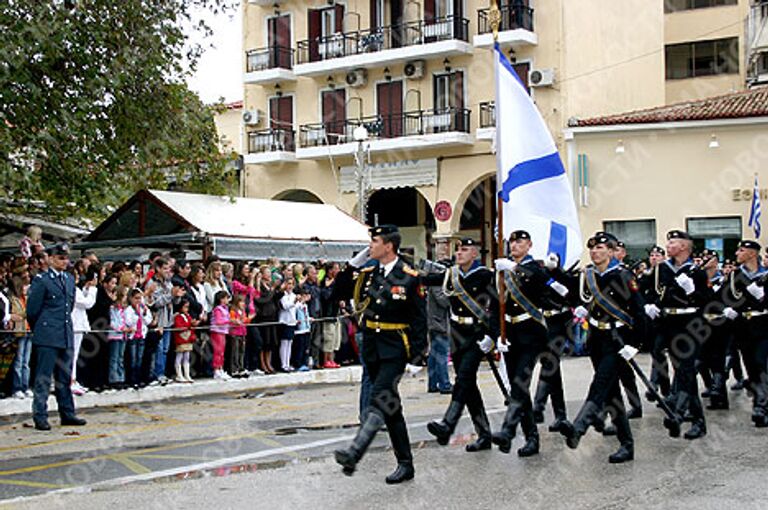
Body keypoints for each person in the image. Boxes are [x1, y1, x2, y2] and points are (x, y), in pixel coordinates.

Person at [333, 225, 427, 484]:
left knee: (379, 396)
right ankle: (406, 464)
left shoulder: (409, 276)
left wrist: (418, 357)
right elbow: (336, 292)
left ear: (389, 246)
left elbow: (419, 319)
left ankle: (354, 452)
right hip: (372, 347)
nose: (370, 246)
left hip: (396, 347)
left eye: (374, 241)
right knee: (391, 407)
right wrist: (352, 265)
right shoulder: (367, 274)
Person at [559, 232, 644, 463]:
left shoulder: (624, 276)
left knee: (600, 384)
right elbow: (572, 294)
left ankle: (579, 428)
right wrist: (579, 306)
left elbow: (639, 313)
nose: (595, 251)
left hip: (618, 340)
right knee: (611, 393)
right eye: (593, 248)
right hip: (597, 338)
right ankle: (627, 445)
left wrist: (634, 344)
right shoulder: (588, 275)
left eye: (600, 247)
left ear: (611, 250)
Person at [423, 238, 499, 452]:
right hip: (457, 335)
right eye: (458, 249)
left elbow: (496, 306)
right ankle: (484, 434)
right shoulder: (451, 275)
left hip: (476, 335)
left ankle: (448, 423)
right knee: (469, 386)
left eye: (464, 249)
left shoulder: (485, 275)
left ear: (474, 253)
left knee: (464, 378)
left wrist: (492, 336)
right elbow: (426, 279)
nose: (459, 253)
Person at [492, 230, 561, 457]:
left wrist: (512, 268)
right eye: (511, 242)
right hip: (510, 334)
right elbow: (496, 305)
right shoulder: (504, 270)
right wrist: (495, 336)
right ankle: (532, 437)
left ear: (529, 245)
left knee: (521, 383)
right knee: (517, 388)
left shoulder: (536, 268)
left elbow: (537, 281)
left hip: (531, 334)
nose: (514, 245)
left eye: (519, 242)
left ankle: (507, 430)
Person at [644, 230, 709, 439]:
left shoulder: (697, 272)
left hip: (689, 323)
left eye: (673, 242)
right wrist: (648, 305)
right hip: (668, 323)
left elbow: (707, 301)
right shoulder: (661, 269)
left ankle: (678, 412)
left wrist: (692, 291)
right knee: (683, 372)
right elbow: (646, 290)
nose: (668, 245)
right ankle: (696, 420)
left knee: (685, 369)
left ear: (684, 247)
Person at [26, 243, 87, 431]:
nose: (64, 261)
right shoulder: (42, 280)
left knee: (64, 377)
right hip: (47, 334)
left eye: (66, 258)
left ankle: (67, 413)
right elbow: (33, 310)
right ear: (51, 259)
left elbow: (68, 306)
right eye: (60, 258)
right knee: (43, 378)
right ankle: (40, 415)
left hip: (64, 333)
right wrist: (44, 327)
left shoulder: (68, 279)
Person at [719, 240, 768, 426]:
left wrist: (763, 298)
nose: (737, 253)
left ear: (753, 254)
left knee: (760, 363)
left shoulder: (765, 275)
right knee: (751, 366)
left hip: (763, 324)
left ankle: (760, 407)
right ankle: (760, 401)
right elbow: (723, 297)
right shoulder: (735, 276)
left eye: (742, 250)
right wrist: (726, 309)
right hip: (743, 326)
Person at [532, 252, 574, 432]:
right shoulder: (538, 275)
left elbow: (569, 289)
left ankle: (538, 406)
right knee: (552, 368)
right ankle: (560, 414)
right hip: (543, 321)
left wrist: (556, 271)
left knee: (549, 362)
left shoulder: (562, 275)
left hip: (560, 322)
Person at [639, 245, 671, 401]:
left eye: (658, 255)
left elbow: (667, 292)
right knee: (657, 353)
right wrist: (645, 305)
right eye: (652, 255)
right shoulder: (647, 275)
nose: (654, 257)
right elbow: (638, 292)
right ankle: (666, 390)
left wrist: (657, 305)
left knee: (658, 351)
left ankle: (654, 384)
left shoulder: (666, 272)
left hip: (665, 319)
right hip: (650, 321)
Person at [423, 258, 452, 395]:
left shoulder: (436, 282)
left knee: (434, 355)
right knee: (441, 355)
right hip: (438, 323)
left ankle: (433, 383)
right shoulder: (437, 283)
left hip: (436, 322)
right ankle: (444, 384)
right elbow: (444, 301)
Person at [70, 266, 98, 396]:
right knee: (72, 355)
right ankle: (71, 381)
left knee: (74, 355)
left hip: (78, 325)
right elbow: (88, 303)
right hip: (74, 325)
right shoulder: (72, 289)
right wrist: (92, 289)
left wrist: (86, 289)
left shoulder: (76, 290)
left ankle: (73, 380)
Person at [124, 288, 153, 388]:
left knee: (140, 358)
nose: (138, 301)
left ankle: (139, 379)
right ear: (131, 298)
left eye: (140, 298)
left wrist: (144, 313)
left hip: (142, 336)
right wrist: (136, 313)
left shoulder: (143, 308)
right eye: (136, 298)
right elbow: (129, 322)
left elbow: (148, 321)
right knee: (133, 359)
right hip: (132, 337)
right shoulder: (128, 310)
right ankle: (132, 380)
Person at [107, 286, 131, 390]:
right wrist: (121, 328)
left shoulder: (124, 309)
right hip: (115, 335)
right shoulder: (113, 308)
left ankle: (121, 377)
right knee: (114, 357)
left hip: (123, 335)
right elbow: (112, 322)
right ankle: (113, 378)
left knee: (121, 357)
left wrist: (128, 327)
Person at [172, 298, 197, 383]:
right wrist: (189, 324)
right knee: (179, 356)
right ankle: (179, 374)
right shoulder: (178, 316)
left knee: (187, 357)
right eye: (185, 307)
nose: (187, 309)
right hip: (181, 339)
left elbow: (190, 326)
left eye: (188, 307)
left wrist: (193, 324)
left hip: (188, 339)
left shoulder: (188, 316)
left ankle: (187, 374)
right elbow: (179, 327)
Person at [227, 294, 251, 377]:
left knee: (242, 351)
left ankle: (241, 367)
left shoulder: (243, 311)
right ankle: (234, 369)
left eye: (244, 302)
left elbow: (245, 321)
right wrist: (237, 321)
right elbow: (232, 320)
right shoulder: (233, 311)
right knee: (235, 351)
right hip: (235, 333)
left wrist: (248, 318)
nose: (243, 304)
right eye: (241, 302)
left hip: (242, 333)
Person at [278, 278, 299, 372]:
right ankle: (283, 364)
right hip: (284, 321)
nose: (290, 286)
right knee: (284, 343)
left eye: (292, 284)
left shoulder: (294, 295)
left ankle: (287, 363)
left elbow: (297, 308)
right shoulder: (283, 296)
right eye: (288, 284)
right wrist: (294, 302)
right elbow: (285, 306)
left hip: (292, 321)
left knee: (289, 343)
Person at [210, 290, 231, 380]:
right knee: (218, 351)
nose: (227, 300)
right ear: (221, 299)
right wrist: (229, 321)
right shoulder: (218, 309)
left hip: (223, 332)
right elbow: (219, 321)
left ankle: (221, 368)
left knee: (222, 351)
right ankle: (216, 370)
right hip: (217, 331)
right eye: (226, 298)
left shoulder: (225, 308)